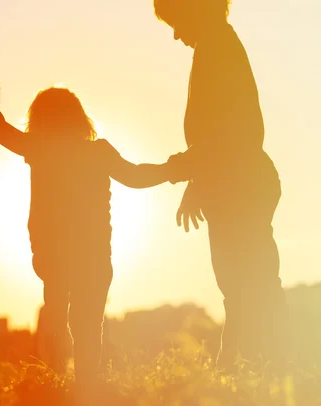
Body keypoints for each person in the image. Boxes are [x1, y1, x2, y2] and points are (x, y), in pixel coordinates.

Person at [0, 87, 175, 392]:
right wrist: (175, 169)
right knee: (87, 324)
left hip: (52, 254)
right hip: (93, 256)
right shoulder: (97, 151)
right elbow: (136, 176)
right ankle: (85, 385)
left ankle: (55, 382)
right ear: (79, 119)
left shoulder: (38, 147)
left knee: (56, 313)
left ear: (39, 119)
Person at [153, 0, 288, 369]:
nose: (178, 35)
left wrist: (182, 168)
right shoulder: (215, 48)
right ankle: (245, 367)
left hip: (241, 187)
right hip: (234, 185)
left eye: (177, 22)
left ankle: (273, 368)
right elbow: (216, 135)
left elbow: (230, 133)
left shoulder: (218, 50)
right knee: (239, 282)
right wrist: (196, 180)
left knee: (252, 282)